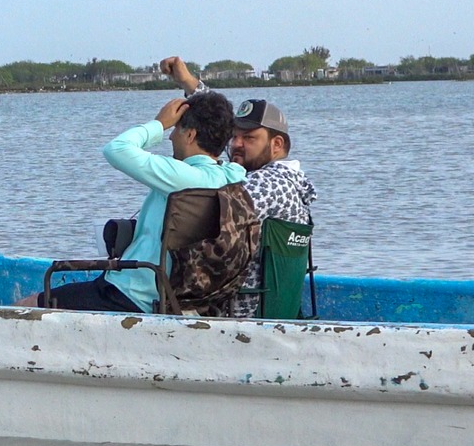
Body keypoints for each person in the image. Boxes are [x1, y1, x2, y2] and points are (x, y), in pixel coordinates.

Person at [25, 91, 245, 312]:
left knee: (28, 304)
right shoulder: (233, 177)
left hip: (133, 294)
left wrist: (158, 124)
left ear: (190, 135)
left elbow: (117, 149)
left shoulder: (183, 177)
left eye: (175, 129)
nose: (170, 137)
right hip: (185, 296)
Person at [162, 58, 317, 318]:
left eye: (249, 138)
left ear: (277, 144)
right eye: (234, 136)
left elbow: (204, 203)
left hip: (237, 316)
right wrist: (190, 84)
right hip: (255, 310)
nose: (236, 144)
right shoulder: (274, 175)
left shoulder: (271, 184)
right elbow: (216, 135)